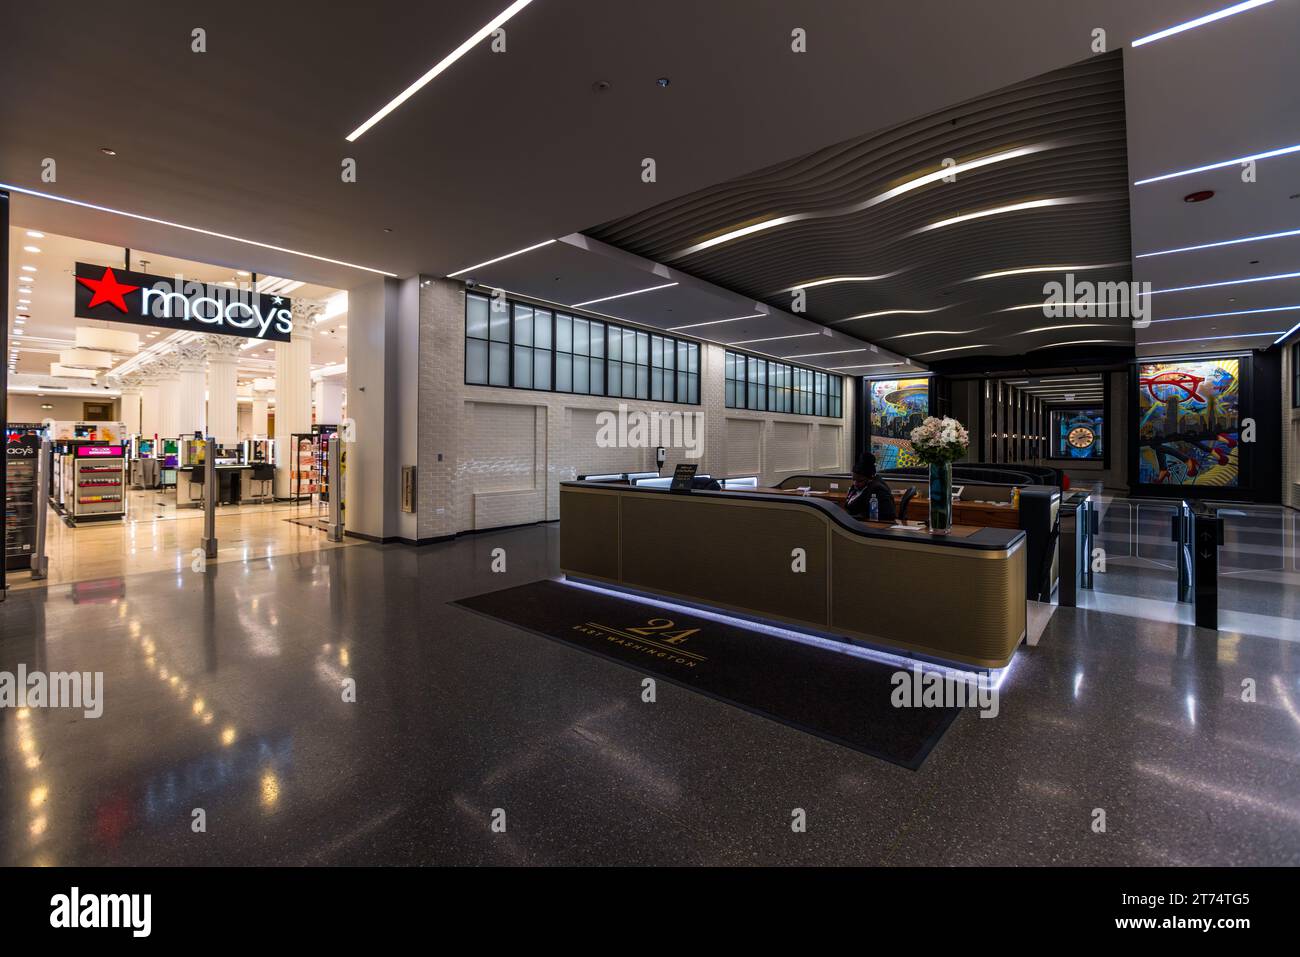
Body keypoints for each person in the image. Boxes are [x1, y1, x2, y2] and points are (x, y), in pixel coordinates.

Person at [844, 452, 896, 522]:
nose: (855, 483)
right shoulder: (856, 487)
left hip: (869, 525)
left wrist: (863, 516)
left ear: (869, 479)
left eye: (859, 481)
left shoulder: (877, 489)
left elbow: (889, 515)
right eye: (854, 480)